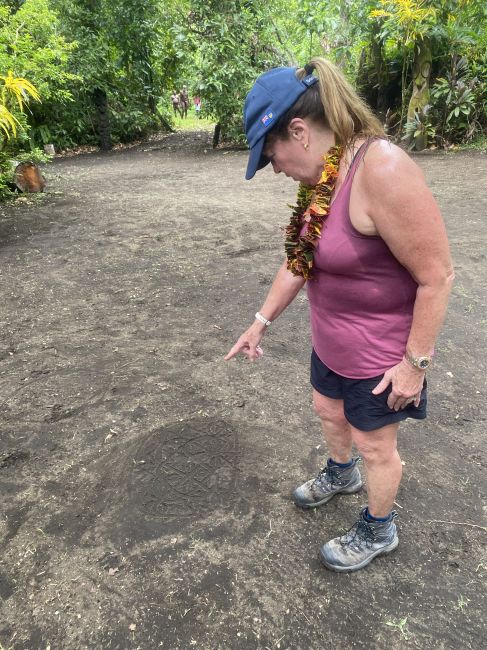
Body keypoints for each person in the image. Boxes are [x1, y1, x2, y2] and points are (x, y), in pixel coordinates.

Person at [225, 59, 453, 572]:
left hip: (380, 354)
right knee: (328, 412)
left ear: (300, 132)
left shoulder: (382, 169)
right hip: (330, 343)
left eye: (271, 155)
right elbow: (300, 259)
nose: (274, 168)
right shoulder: (320, 180)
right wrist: (260, 322)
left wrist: (415, 364)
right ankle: (340, 473)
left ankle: (379, 528)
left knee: (375, 445)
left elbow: (437, 276)